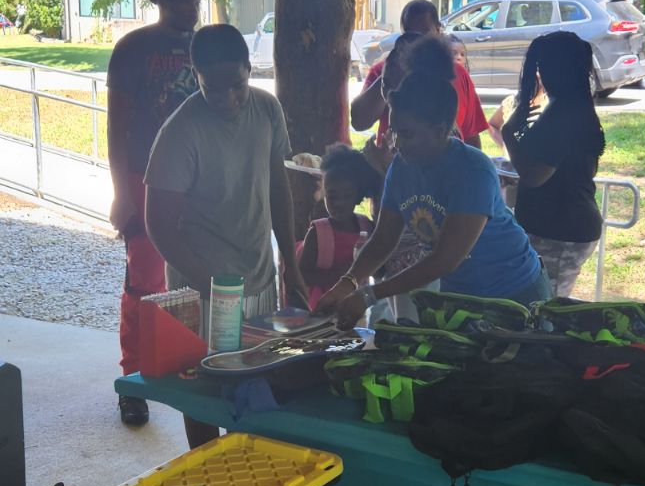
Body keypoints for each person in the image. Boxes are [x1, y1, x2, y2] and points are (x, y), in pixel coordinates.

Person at [145, 23, 307, 448]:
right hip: (201, 287)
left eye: (237, 85)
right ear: (195, 76)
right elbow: (158, 224)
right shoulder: (180, 132)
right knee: (202, 392)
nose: (228, 98)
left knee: (254, 384)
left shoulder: (267, 109)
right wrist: (211, 285)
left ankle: (244, 461)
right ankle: (203, 463)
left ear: (250, 69)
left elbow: (278, 188)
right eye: (213, 89)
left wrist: (290, 263)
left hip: (259, 277)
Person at [316, 38, 549, 328]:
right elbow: (383, 239)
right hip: (462, 297)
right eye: (395, 131)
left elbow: (445, 259)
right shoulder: (401, 168)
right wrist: (346, 283)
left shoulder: (472, 170)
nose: (398, 143)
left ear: (440, 130)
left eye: (408, 134)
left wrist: (369, 295)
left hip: (516, 294)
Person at [106, 0, 200, 426]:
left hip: (196, 180)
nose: (190, 7)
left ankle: (185, 363)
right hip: (144, 177)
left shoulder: (204, 46)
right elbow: (116, 126)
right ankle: (133, 379)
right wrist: (121, 191)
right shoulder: (133, 48)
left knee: (191, 278)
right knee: (144, 282)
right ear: (159, 1)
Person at [501, 31, 606, 297]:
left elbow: (534, 175)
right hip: (562, 227)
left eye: (542, 67)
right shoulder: (575, 107)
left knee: (545, 307)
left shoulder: (565, 114)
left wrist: (509, 133)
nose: (538, 75)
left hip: (560, 231)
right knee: (541, 303)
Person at [351, 0, 488, 149]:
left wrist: (473, 162)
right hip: (395, 161)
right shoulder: (382, 71)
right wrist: (388, 77)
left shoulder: (458, 73)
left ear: (438, 31)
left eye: (423, 34)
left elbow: (471, 136)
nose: (417, 41)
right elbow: (359, 122)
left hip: (446, 162)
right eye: (410, 34)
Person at [297, 144, 382, 311]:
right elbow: (303, 275)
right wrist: (343, 273)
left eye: (347, 196)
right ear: (324, 193)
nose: (339, 203)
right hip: (323, 312)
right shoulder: (318, 232)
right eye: (332, 196)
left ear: (358, 195)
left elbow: (379, 271)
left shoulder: (367, 227)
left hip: (359, 312)